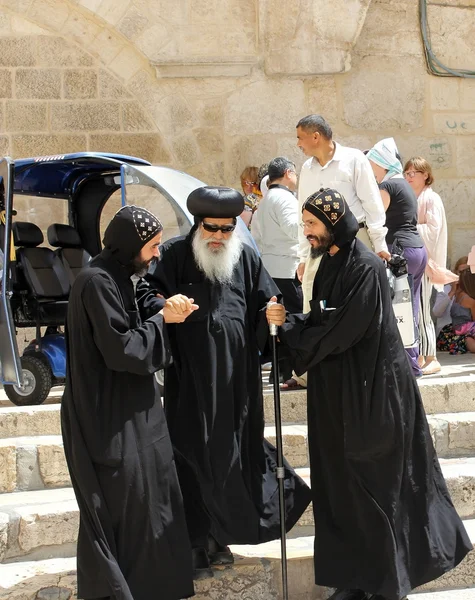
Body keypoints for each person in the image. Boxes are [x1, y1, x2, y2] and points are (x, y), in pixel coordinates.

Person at [268, 187, 472, 600]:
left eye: (312, 224)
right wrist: (289, 319)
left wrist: (292, 330)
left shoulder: (364, 266)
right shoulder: (328, 261)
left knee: (376, 487)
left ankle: (386, 583)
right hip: (337, 396)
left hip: (372, 396)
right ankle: (355, 580)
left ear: (333, 224)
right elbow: (324, 316)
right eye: (306, 223)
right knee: (341, 488)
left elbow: (343, 329)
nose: (306, 231)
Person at [136, 186, 311, 579]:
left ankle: (222, 537)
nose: (217, 236)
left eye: (226, 229)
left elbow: (268, 301)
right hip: (191, 384)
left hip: (238, 385)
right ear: (198, 225)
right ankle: (196, 543)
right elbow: (147, 294)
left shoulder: (245, 256)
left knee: (232, 457)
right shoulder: (178, 254)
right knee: (192, 458)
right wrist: (165, 307)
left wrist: (273, 312)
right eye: (210, 228)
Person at [61, 205, 197, 600]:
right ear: (130, 245)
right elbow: (122, 349)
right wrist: (163, 323)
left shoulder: (119, 276)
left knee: (149, 498)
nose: (156, 254)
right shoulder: (96, 282)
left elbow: (137, 312)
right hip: (106, 418)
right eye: (152, 247)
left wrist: (163, 309)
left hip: (130, 410)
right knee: (122, 506)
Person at [284, 115, 389, 391]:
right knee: (311, 298)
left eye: (300, 137)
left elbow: (372, 203)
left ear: (316, 136)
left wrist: (380, 246)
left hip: (355, 244)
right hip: (318, 246)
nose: (298, 144)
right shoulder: (306, 168)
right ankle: (307, 369)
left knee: (352, 304)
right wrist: (302, 256)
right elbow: (303, 215)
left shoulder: (354, 160)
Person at [366, 139, 427, 378]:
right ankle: (412, 362)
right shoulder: (403, 184)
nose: (370, 171)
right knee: (409, 306)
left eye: (372, 165)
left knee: (397, 308)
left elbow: (376, 219)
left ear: (382, 163)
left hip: (400, 251)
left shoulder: (388, 186)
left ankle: (405, 366)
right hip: (417, 250)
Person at [403, 157, 456, 374]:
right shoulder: (410, 198)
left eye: (414, 172)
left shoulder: (431, 198)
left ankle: (432, 357)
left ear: (426, 174)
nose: (409, 176)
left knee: (424, 311)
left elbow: (434, 231)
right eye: (407, 173)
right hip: (413, 259)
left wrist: (407, 228)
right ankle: (421, 355)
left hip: (425, 261)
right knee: (413, 311)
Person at [251, 157, 302, 380]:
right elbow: (295, 229)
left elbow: (256, 238)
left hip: (271, 268)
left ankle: (280, 372)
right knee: (293, 320)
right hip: (288, 268)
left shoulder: (265, 201)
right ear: (289, 173)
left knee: (279, 321)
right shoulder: (285, 199)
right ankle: (293, 371)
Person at [437, 259, 475, 355]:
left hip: (457, 329)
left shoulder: (460, 295)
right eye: (460, 272)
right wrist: (451, 292)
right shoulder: (447, 290)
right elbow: (436, 312)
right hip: (462, 330)